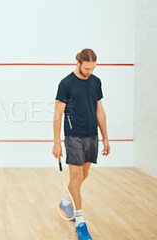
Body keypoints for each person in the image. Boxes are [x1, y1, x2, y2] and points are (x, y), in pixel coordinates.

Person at [52, 49, 111, 240]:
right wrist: (56, 142)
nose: (90, 72)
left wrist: (105, 138)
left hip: (91, 135)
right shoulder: (66, 83)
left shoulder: (95, 82)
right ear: (77, 62)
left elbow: (99, 111)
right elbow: (57, 114)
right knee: (76, 178)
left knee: (84, 175)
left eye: (93, 68)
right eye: (87, 68)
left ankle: (66, 200)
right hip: (73, 136)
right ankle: (80, 222)